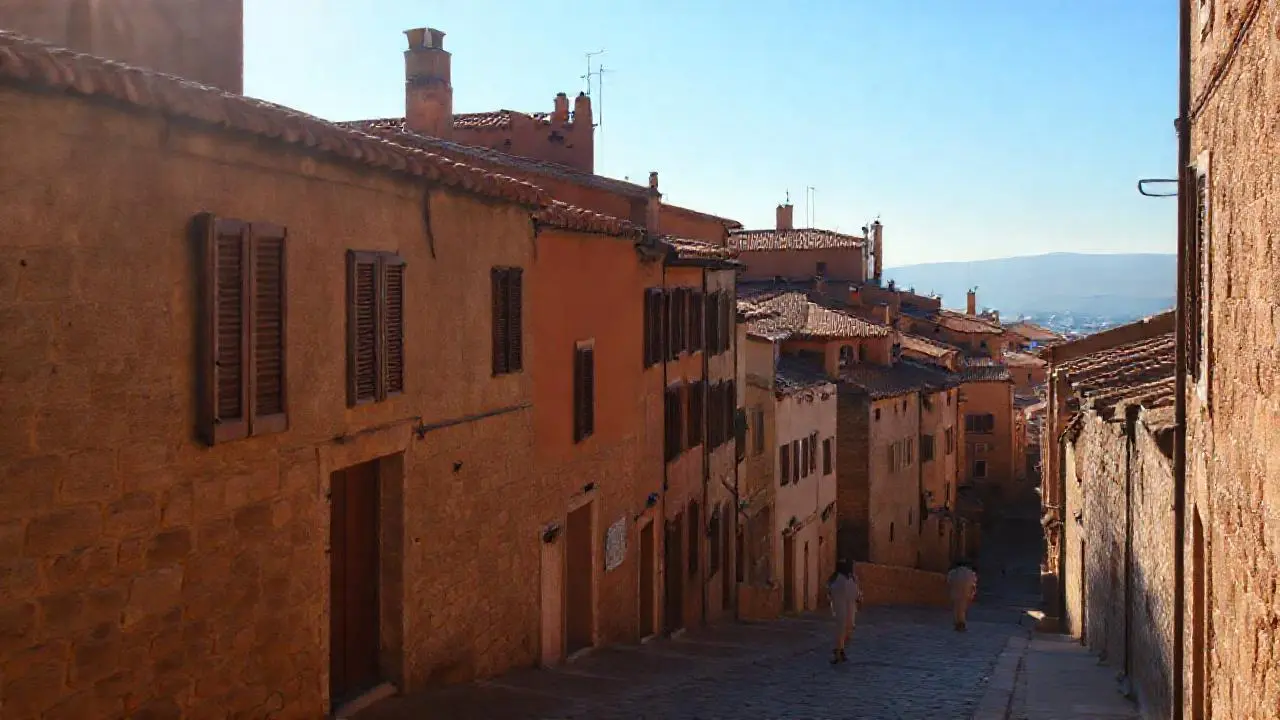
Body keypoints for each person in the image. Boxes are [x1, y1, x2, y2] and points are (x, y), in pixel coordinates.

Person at [827, 558, 863, 663]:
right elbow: (831, 591)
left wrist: (858, 599)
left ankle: (841, 650)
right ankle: (838, 653)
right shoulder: (839, 579)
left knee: (847, 629)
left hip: (849, 610)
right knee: (841, 630)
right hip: (841, 609)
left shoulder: (850, 579)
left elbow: (856, 593)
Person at [947, 560, 978, 631]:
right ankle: (961, 623)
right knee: (963, 608)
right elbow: (973, 584)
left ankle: (958, 623)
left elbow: (949, 581)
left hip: (955, 592)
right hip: (966, 593)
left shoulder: (953, 572)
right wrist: (973, 593)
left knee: (956, 608)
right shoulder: (971, 573)